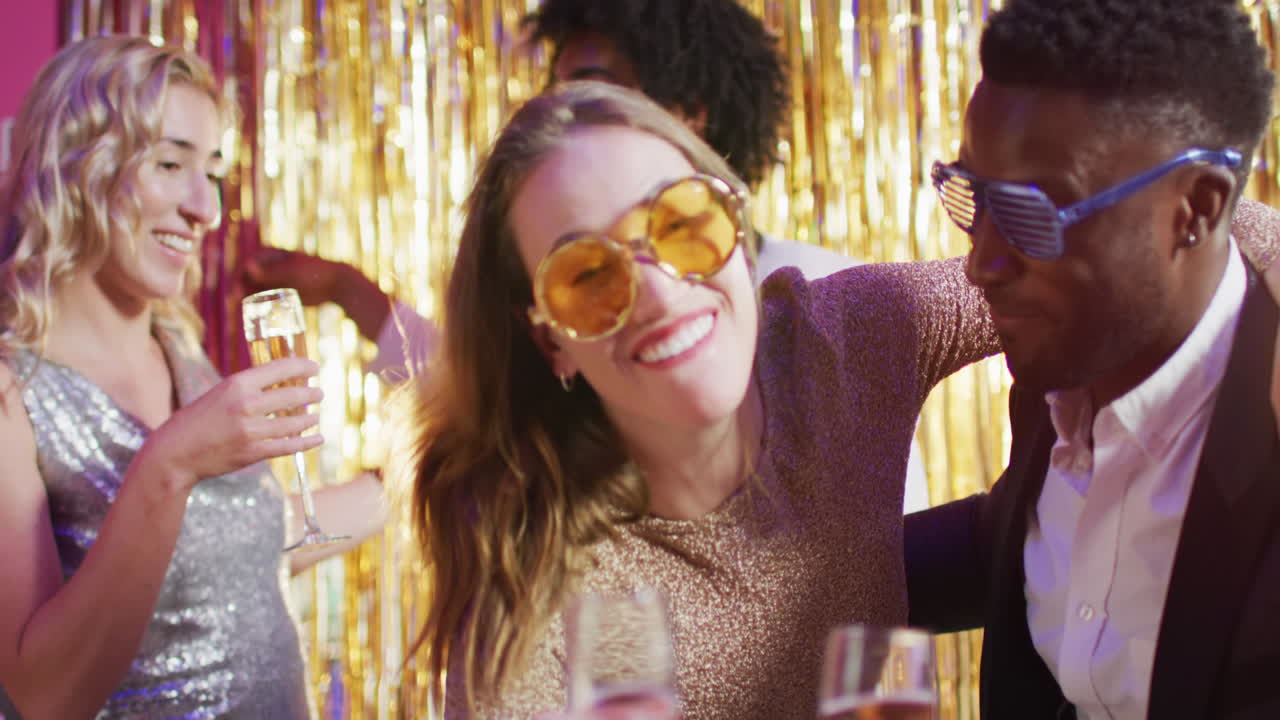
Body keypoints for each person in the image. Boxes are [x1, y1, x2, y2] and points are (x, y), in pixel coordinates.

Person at [395, 78, 998, 719]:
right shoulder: (562, 597)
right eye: (589, 274)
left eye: (682, 222)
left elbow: (1068, 280)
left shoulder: (845, 345)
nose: (658, 293)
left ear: (735, 223)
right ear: (553, 343)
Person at [245, 0, 932, 511]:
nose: (657, 295)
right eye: (561, 89)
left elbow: (896, 564)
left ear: (686, 113)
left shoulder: (831, 295)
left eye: (598, 87)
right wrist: (347, 290)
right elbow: (485, 398)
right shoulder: (572, 350)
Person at [903, 1, 1280, 719]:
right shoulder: (1061, 371)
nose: (981, 262)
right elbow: (1014, 544)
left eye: (1030, 214)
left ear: (1195, 208)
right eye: (972, 197)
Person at [0, 36, 383, 718]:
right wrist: (170, 464)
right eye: (170, 163)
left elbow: (227, 549)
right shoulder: (12, 393)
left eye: (211, 172)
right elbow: (45, 695)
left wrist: (408, 482)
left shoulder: (180, 346)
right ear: (76, 166)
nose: (204, 209)